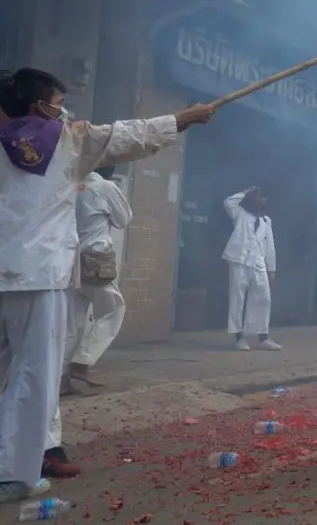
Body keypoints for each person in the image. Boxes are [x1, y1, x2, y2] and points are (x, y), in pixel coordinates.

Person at [0, 68, 214, 501]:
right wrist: (183, 118)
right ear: (41, 106)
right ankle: (14, 473)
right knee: (34, 372)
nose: (63, 112)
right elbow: (129, 135)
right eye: (58, 104)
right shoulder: (68, 140)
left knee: (12, 368)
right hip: (40, 275)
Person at [62, 166, 131, 394]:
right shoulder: (105, 187)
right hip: (94, 259)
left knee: (71, 322)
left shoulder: (69, 185)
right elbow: (123, 219)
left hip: (67, 260)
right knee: (114, 309)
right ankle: (82, 362)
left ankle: (61, 380)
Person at [223, 186, 280, 351]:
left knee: (264, 298)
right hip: (239, 260)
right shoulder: (240, 213)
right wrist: (246, 191)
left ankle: (263, 337)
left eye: (263, 198)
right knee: (237, 300)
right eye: (258, 197)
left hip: (258, 262)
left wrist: (272, 270)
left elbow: (270, 246)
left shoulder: (265, 220)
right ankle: (239, 338)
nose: (262, 200)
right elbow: (228, 202)